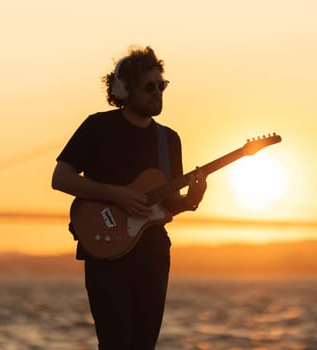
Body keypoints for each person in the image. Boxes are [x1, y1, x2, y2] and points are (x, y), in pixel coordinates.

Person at [51, 46, 207, 349]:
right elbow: (61, 178)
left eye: (161, 85)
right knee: (115, 343)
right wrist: (116, 195)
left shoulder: (169, 139)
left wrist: (192, 199)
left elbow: (167, 204)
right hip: (106, 249)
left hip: (153, 253)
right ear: (122, 90)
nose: (157, 93)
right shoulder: (98, 127)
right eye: (149, 87)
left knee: (144, 344)